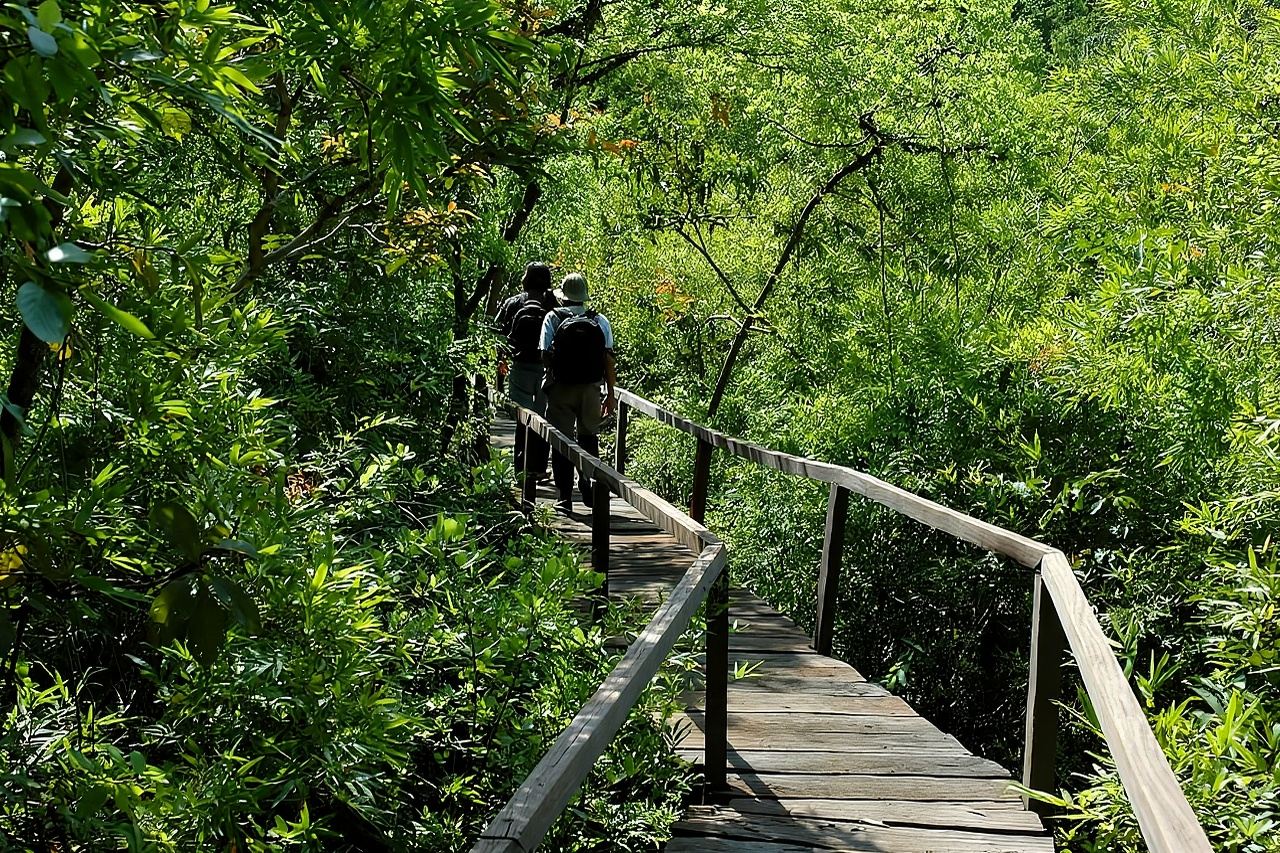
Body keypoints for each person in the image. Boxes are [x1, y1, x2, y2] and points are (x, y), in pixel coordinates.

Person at [540, 272, 617, 513]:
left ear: (563, 297)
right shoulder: (599, 320)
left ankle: (564, 496)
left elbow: (543, 352)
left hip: (562, 389)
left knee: (562, 441)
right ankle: (589, 481)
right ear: (584, 296)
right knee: (588, 436)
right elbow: (608, 359)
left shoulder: (553, 317)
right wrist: (611, 393)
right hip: (591, 390)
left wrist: (553, 374)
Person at [496, 262, 558, 477]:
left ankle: (520, 469)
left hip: (519, 367)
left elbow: (497, 334)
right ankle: (539, 468)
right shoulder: (552, 305)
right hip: (545, 369)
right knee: (542, 418)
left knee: (524, 417)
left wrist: (500, 362)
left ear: (526, 279)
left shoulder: (513, 303)